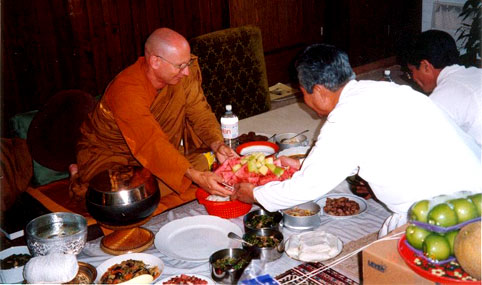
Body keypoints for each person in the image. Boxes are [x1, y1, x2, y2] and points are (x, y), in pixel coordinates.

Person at [232, 44, 482, 236]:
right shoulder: (384, 89)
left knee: (383, 259)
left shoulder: (344, 119)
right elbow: (360, 147)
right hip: (475, 190)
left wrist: (256, 194)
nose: (303, 99)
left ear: (317, 90)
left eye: (302, 92)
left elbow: (307, 187)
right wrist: (308, 163)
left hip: (446, 215)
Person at [71, 28, 237, 203]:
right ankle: (79, 179)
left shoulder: (181, 77)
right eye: (180, 66)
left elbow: (200, 113)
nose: (186, 72)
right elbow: (149, 141)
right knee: (124, 198)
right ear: (155, 61)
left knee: (201, 164)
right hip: (111, 156)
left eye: (187, 64)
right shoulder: (126, 90)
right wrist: (195, 176)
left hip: (156, 151)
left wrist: (217, 143)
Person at [404, 29, 482, 147]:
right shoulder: (476, 72)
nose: (413, 78)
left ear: (425, 66)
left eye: (412, 71)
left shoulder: (444, 97)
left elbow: (419, 139)